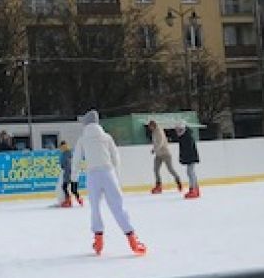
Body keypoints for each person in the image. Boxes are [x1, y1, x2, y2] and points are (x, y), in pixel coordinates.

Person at [72, 110, 147, 256]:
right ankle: (132, 238)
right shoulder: (106, 137)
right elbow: (116, 157)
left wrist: (74, 179)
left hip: (92, 175)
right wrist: (116, 176)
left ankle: (98, 239)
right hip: (108, 172)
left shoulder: (83, 139)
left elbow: (76, 160)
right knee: (118, 206)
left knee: (95, 208)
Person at [147, 120, 183, 194]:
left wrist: (154, 149)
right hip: (158, 155)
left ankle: (178, 180)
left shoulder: (159, 131)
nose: (149, 128)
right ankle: (158, 185)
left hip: (165, 153)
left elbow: (161, 142)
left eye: (150, 126)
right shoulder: (153, 132)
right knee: (156, 169)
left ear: (153, 126)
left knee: (170, 169)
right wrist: (155, 150)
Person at [170, 122, 202, 198]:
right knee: (191, 172)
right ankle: (196, 189)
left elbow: (188, 149)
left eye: (179, 130)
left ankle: (193, 189)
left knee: (190, 172)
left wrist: (185, 158)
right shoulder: (183, 136)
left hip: (191, 157)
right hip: (190, 157)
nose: (177, 131)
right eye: (177, 130)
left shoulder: (187, 136)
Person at [59, 141, 81, 207]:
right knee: (65, 187)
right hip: (68, 173)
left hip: (71, 173)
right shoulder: (63, 154)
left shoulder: (68, 153)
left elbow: (69, 164)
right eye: (61, 147)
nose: (62, 148)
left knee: (72, 189)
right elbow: (63, 164)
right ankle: (69, 200)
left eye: (63, 147)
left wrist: (69, 173)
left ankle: (76, 200)